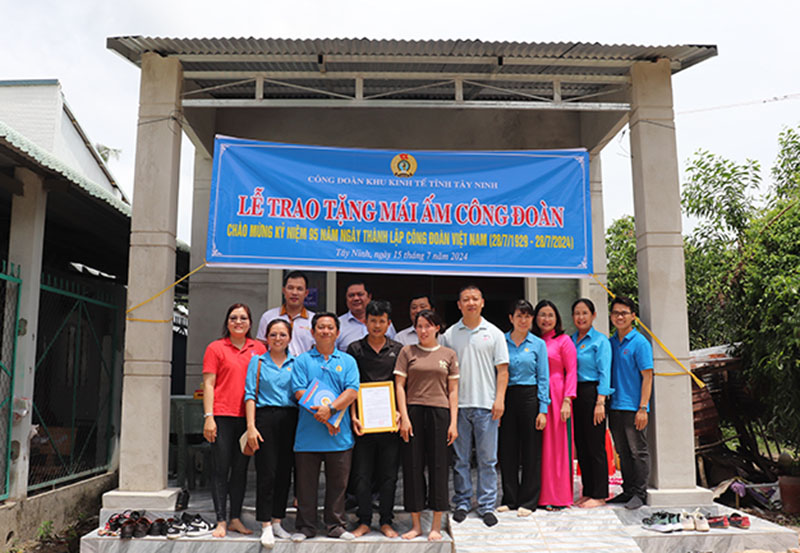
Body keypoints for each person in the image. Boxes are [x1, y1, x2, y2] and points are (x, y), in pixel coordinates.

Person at [441, 284, 509, 527]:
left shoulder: (495, 333)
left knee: (487, 459)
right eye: (466, 299)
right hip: (458, 407)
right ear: (459, 304)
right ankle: (462, 502)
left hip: (486, 406)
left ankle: (487, 505)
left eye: (475, 299)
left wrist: (499, 399)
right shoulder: (449, 335)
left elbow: (502, 371)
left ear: (482, 303)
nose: (471, 303)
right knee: (459, 459)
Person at [290, 312, 360, 541]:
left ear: (337, 333)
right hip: (308, 437)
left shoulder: (348, 361)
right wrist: (323, 414)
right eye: (321, 327)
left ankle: (336, 526)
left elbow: (352, 391)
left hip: (339, 436)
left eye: (330, 327)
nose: (326, 331)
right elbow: (299, 391)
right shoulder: (302, 361)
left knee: (338, 486)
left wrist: (329, 411)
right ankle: (306, 527)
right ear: (312, 332)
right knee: (306, 486)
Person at [202, 303, 266, 537]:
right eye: (233, 318)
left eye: (243, 318)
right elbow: (209, 384)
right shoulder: (216, 348)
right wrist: (209, 417)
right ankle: (220, 519)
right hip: (222, 416)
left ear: (250, 323)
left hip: (249, 419)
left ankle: (235, 518)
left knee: (241, 470)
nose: (238, 322)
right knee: (221, 469)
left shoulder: (258, 348)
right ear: (227, 322)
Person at [395, 309, 459, 541]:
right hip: (413, 411)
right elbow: (399, 385)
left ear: (437, 328)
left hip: (440, 414)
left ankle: (435, 525)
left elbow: (453, 391)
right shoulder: (407, 351)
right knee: (412, 467)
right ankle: (415, 525)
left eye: (428, 326)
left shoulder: (449, 354)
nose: (423, 331)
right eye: (419, 326)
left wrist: (453, 422)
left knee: (439, 468)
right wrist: (404, 415)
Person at [346, 301, 404, 538]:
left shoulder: (399, 349)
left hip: (390, 422)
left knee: (388, 475)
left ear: (388, 323)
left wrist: (400, 412)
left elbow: (402, 385)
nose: (377, 325)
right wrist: (353, 416)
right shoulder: (355, 349)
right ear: (365, 322)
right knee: (361, 474)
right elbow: (350, 386)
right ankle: (364, 520)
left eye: (382, 321)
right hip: (363, 422)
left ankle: (386, 521)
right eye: (373, 320)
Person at [245, 319, 298, 548]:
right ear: (266, 337)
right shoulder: (257, 362)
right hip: (264, 418)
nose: (278, 338)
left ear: (289, 338)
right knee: (267, 472)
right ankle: (265, 524)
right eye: (273, 334)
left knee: (285, 472)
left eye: (282, 335)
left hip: (290, 419)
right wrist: (251, 426)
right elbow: (249, 395)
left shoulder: (296, 363)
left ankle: (278, 520)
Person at [498, 299, 550, 516]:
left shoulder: (538, 344)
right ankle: (510, 498)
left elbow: (543, 378)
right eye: (519, 315)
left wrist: (542, 409)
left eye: (527, 316)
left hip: (530, 398)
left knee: (531, 451)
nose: (523, 320)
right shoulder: (501, 341)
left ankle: (528, 501)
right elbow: (496, 374)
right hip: (507, 397)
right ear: (511, 318)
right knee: (507, 450)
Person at [606, 296, 653, 510]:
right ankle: (627, 490)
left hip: (634, 407)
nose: (619, 316)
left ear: (633, 316)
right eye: (615, 313)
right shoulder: (611, 342)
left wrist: (643, 407)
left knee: (638, 451)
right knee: (623, 452)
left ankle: (640, 494)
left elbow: (648, 376)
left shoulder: (640, 343)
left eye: (624, 313)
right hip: (614, 406)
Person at [532, 299, 577, 509]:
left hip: (558, 396)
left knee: (558, 447)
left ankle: (558, 496)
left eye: (550, 315)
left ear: (556, 318)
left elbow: (572, 371)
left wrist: (567, 399)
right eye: (542, 314)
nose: (546, 319)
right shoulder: (531, 340)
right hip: (536, 395)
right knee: (539, 447)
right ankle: (539, 496)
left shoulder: (563, 340)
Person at [571, 298, 614, 509]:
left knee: (596, 446)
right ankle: (587, 491)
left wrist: (600, 401)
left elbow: (605, 372)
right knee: (582, 445)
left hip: (593, 393)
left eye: (585, 313)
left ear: (593, 315)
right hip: (576, 394)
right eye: (577, 313)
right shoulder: (571, 340)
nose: (581, 317)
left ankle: (600, 493)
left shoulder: (600, 341)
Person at [256, 271, 315, 357]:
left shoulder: (314, 320)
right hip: (275, 368)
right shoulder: (268, 317)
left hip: (304, 369)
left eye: (299, 289)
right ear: (284, 290)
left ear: (306, 293)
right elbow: (261, 347)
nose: (294, 293)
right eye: (290, 288)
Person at [335, 281, 395, 351]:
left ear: (369, 297)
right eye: (351, 295)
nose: (356, 298)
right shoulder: (338, 324)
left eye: (360, 294)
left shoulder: (384, 322)